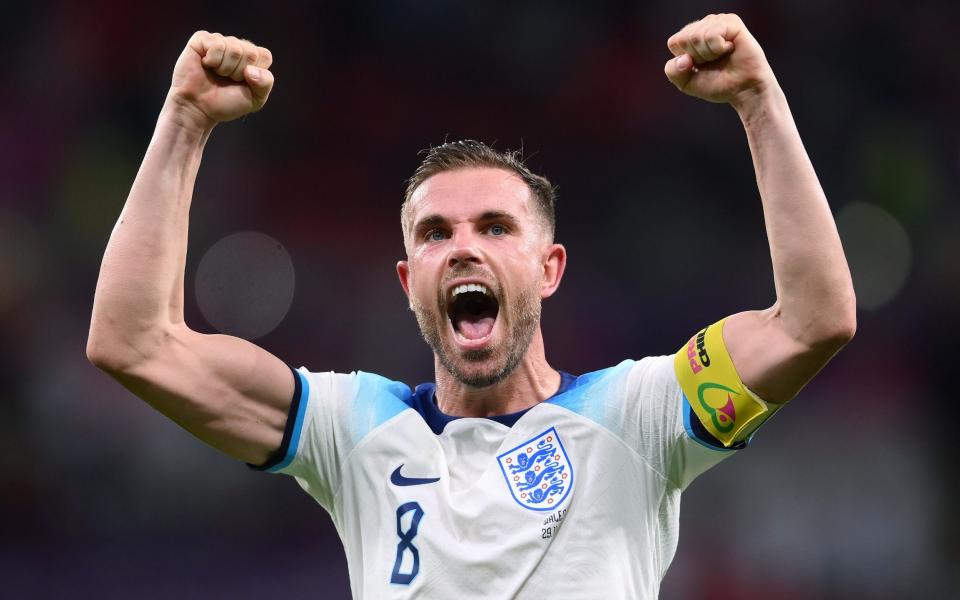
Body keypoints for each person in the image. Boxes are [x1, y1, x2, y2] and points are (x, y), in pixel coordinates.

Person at [87, 13, 856, 599]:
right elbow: (133, 343)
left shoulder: (639, 416)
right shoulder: (348, 428)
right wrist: (185, 123)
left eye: (495, 227)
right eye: (434, 233)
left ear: (549, 268)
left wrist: (758, 101)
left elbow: (813, 320)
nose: (462, 248)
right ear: (406, 280)